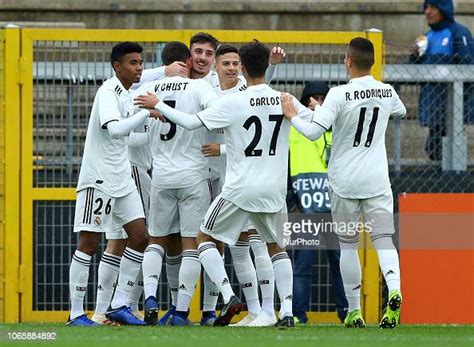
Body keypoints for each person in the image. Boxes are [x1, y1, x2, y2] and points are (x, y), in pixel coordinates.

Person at [135, 40, 313, 328]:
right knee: (274, 247)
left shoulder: (232, 102)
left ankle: (229, 298)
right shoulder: (284, 99)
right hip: (274, 187)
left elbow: (192, 122)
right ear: (266, 66)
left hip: (238, 186)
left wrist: (159, 106)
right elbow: (316, 128)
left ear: (242, 67)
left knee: (204, 239)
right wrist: (310, 111)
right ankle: (284, 312)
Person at [281, 37, 406, 329]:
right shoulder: (387, 91)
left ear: (347, 61)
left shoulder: (338, 94)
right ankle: (395, 289)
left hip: (344, 181)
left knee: (348, 245)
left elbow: (313, 132)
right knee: (383, 239)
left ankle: (354, 311)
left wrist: (292, 115)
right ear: (372, 62)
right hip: (376, 178)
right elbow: (398, 111)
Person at [67, 42, 152, 326]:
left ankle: (117, 305)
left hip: (122, 178)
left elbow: (127, 137)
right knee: (89, 242)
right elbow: (115, 129)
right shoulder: (108, 91)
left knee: (140, 237)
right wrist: (147, 114)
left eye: (140, 62)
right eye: (133, 63)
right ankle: (76, 313)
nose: (138, 67)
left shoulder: (127, 95)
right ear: (117, 66)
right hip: (99, 178)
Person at [137, 41, 218, 326]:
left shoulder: (152, 90)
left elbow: (128, 105)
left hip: (160, 174)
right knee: (190, 246)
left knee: (156, 241)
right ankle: (182, 311)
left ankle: (149, 297)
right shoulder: (199, 88)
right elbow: (216, 112)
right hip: (193, 175)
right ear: (186, 62)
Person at [203, 44, 277, 327]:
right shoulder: (207, 92)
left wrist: (220, 150)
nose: (231, 68)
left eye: (236, 63)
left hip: (248, 181)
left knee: (259, 245)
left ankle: (269, 310)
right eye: (226, 63)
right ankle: (255, 310)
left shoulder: (247, 95)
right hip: (224, 183)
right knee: (238, 248)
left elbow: (254, 141)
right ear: (216, 66)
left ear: (242, 67)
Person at [287, 81, 348, 324]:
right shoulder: (293, 129)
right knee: (302, 266)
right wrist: (292, 202)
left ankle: (348, 313)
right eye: (312, 99)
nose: (317, 103)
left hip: (336, 209)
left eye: (322, 99)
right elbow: (285, 166)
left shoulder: (339, 128)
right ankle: (298, 315)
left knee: (342, 264)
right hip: (304, 209)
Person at [409, 0, 473, 161]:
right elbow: (412, 71)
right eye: (426, 7)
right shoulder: (427, 37)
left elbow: (469, 68)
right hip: (432, 104)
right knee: (434, 150)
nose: (427, 12)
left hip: (453, 106)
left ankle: (453, 179)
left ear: (443, 9)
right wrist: (415, 56)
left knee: (447, 149)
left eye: (432, 7)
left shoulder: (459, 33)